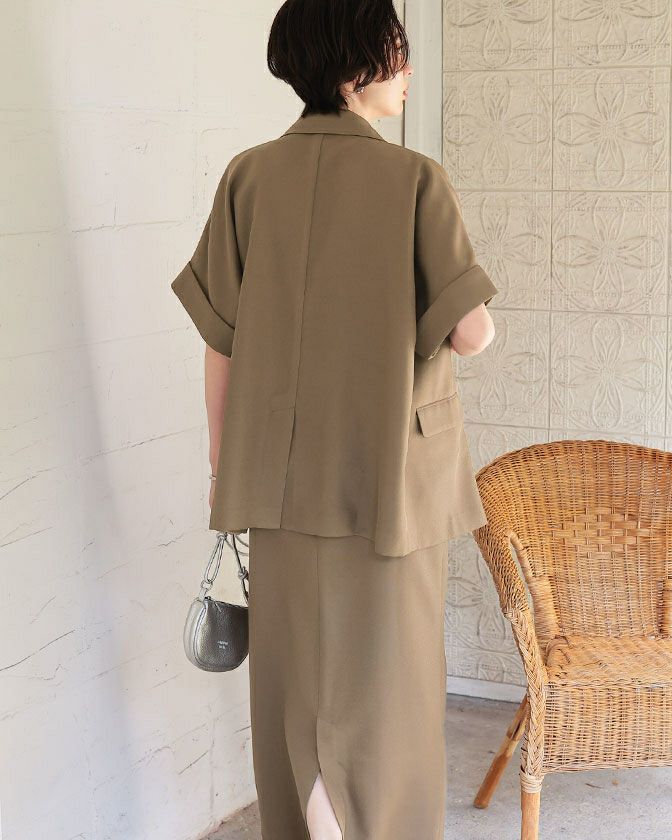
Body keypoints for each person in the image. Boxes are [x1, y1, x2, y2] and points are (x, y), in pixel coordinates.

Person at [171, 1, 498, 837]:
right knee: (391, 687)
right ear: (356, 66)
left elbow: (220, 342)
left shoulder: (247, 178)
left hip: (279, 484)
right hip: (391, 485)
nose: (408, 70)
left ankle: (312, 823)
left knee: (298, 687)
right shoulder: (415, 179)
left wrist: (223, 464)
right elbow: (470, 332)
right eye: (396, 52)